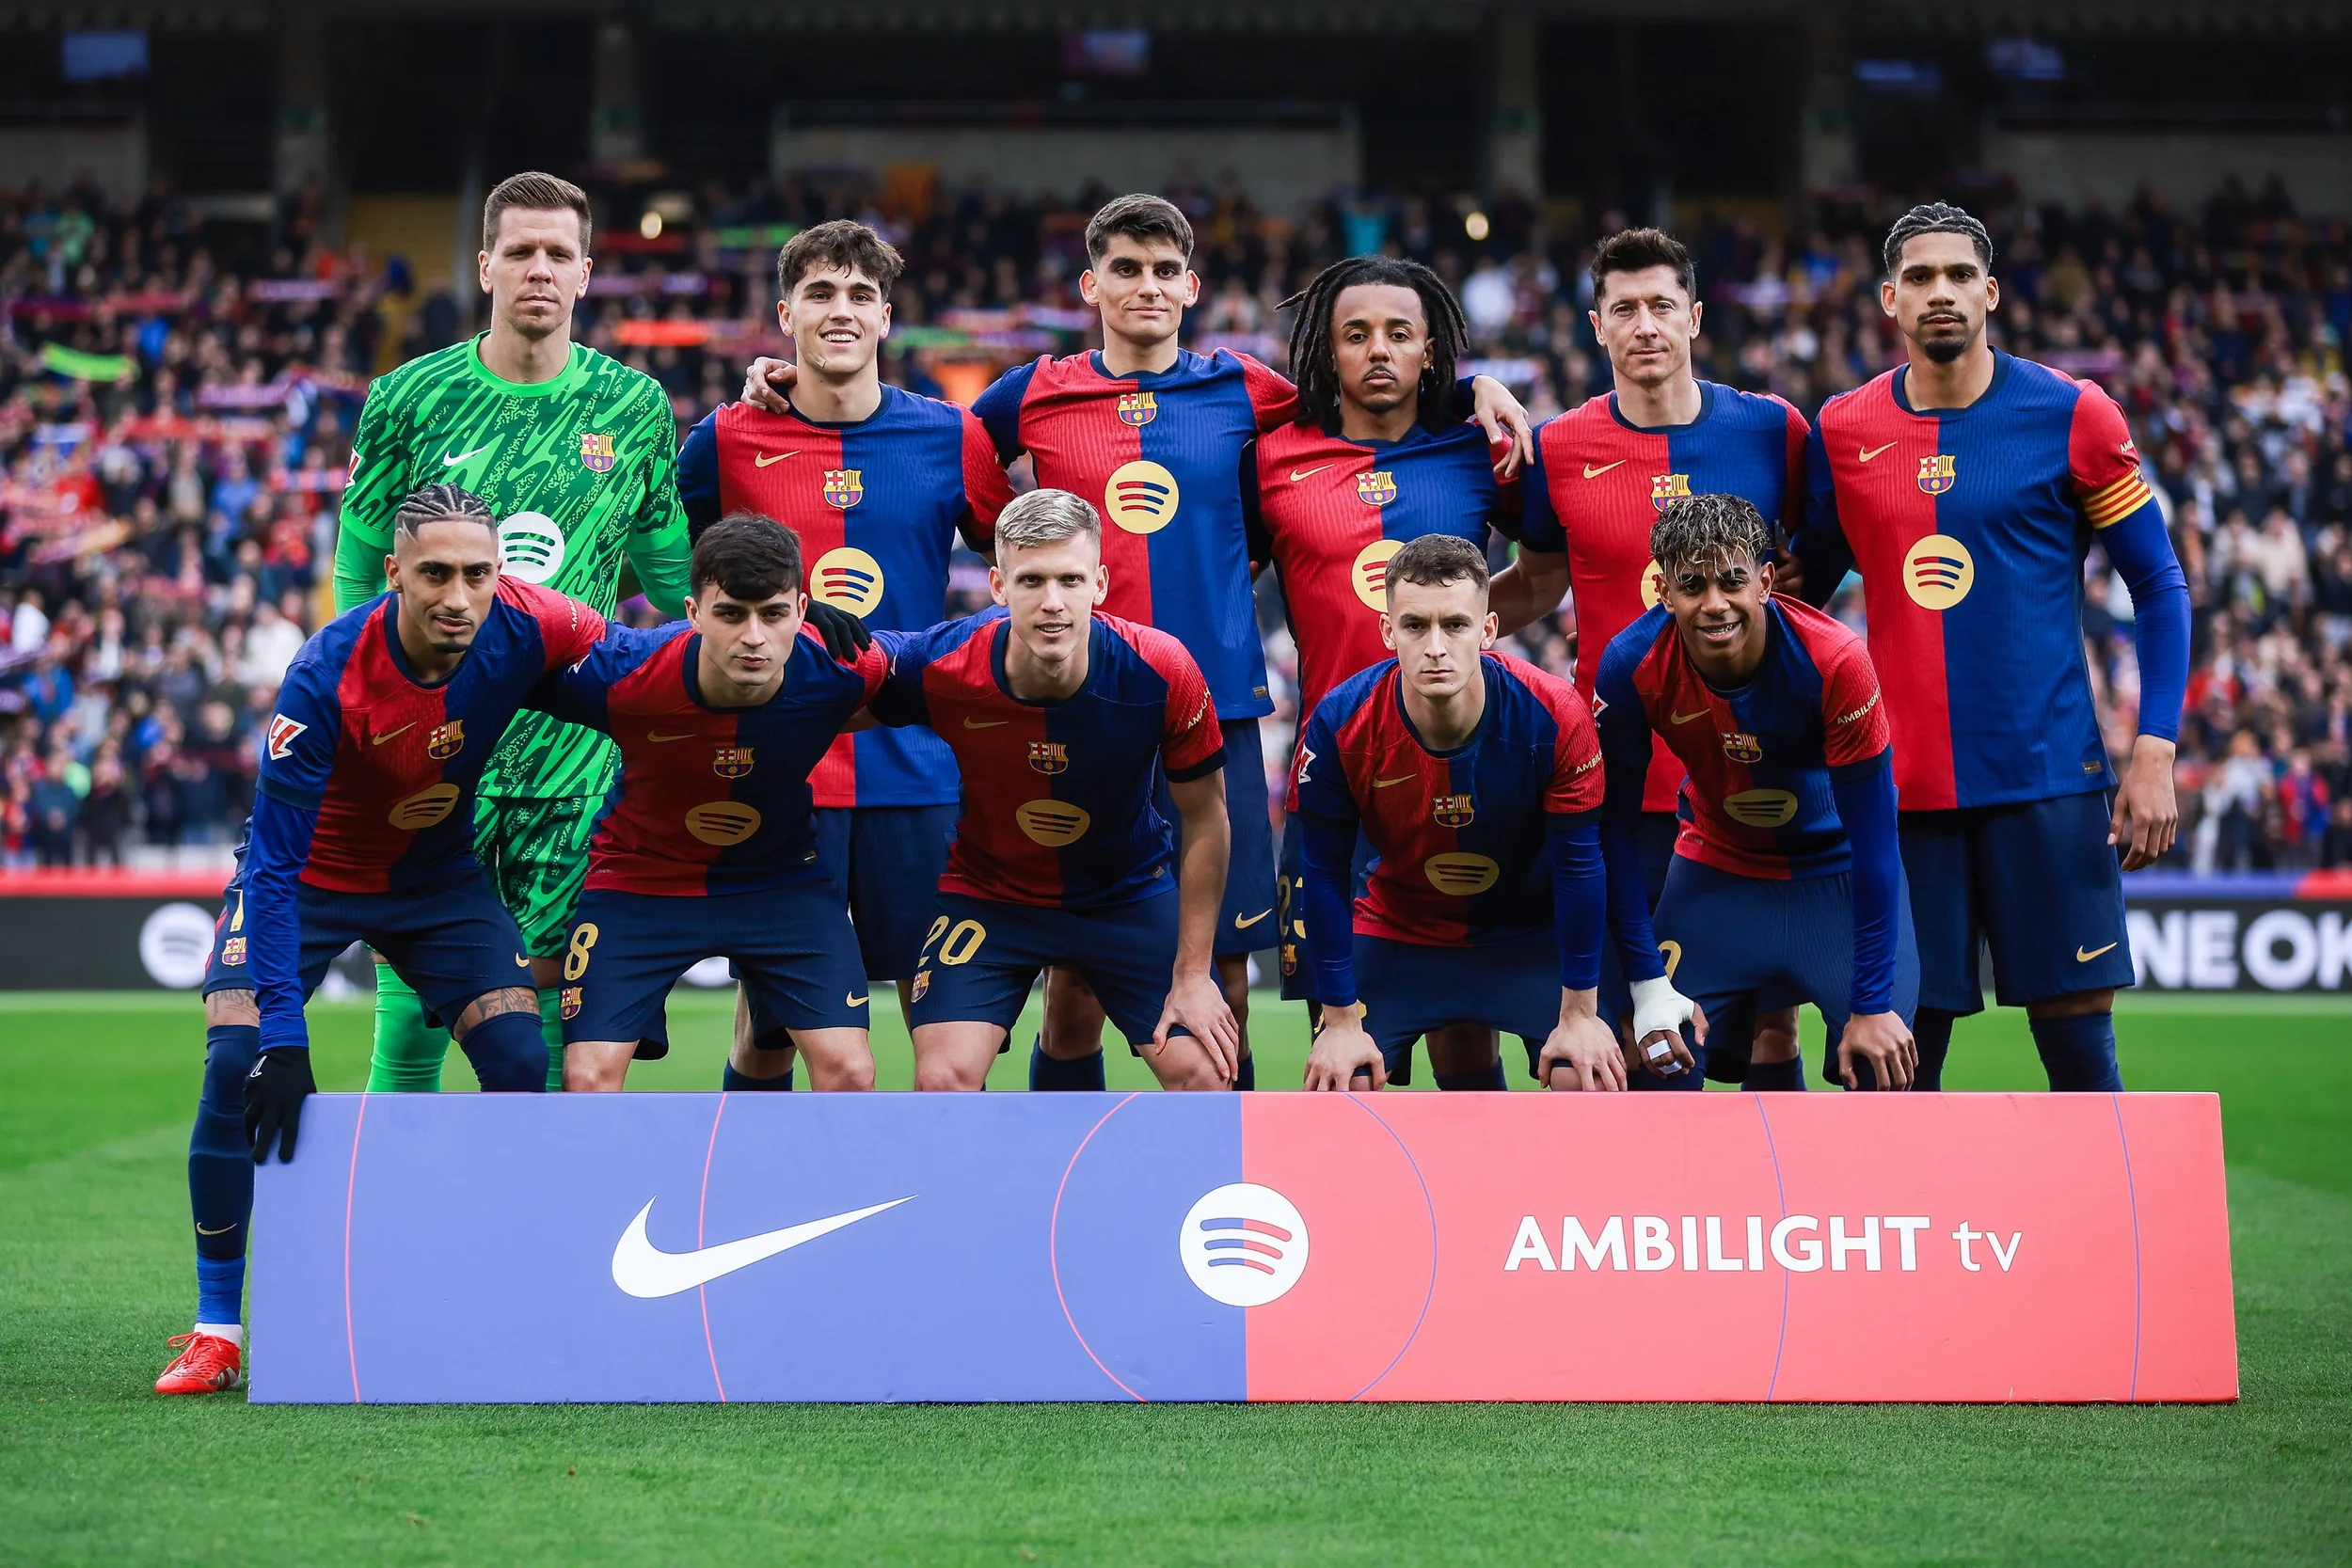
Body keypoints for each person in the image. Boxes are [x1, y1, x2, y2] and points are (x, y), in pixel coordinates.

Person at [746, 192, 1535, 1090]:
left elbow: (1358, 390)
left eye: (1165, 270)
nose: (1146, 286)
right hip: (1081, 713)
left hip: (1218, 710)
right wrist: (788, 387)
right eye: (1125, 268)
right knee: (1072, 982)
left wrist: (1470, 387)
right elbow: (929, 449)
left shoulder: (1245, 388)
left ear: (1192, 286)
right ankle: (1068, 1163)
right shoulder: (1032, 393)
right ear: (1092, 285)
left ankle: (1225, 1163)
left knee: (1224, 982)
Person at [156, 484, 605, 1397]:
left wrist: (780, 642)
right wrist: (284, 1040)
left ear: (500, 574)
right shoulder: (326, 672)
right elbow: (271, 869)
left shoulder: (532, 620)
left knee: (521, 1056)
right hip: (309, 880)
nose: (457, 595)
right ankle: (217, 1329)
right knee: (235, 1056)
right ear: (393, 571)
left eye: (476, 574)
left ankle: (503, 1294)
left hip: (436, 883)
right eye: (435, 573)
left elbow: (642, 658)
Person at [1791, 202, 2190, 1091]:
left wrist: (2156, 747)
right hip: (1898, 796)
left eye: (1960, 275)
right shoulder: (1844, 431)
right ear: (1890, 299)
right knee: (1892, 1069)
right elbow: (1792, 597)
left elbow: (2159, 584)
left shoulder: (2074, 413)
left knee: (2081, 1059)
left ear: (1992, 293)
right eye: (1921, 277)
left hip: (2048, 785)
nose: (1941, 291)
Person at [331, 171, 694, 1095]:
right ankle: (388, 1189)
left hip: (573, 766)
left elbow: (674, 583)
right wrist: (362, 713)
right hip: (431, 754)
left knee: (554, 1020)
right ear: (485, 264)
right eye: (521, 250)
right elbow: (357, 573)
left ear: (585, 274)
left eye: (558, 253)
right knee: (409, 1016)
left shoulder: (634, 407)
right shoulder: (409, 396)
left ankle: (537, 1193)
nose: (540, 268)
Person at [677, 220, 1009, 1077]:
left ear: (886, 317)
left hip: (921, 774)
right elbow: (673, 570)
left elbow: (1021, 559)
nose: (841, 310)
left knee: (947, 1057)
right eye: (819, 293)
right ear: (785, 315)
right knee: (768, 1037)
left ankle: (941, 1175)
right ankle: (745, 1169)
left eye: (861, 295)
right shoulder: (724, 440)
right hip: (782, 777)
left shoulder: (952, 437)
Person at [1243, 254, 1569, 1034]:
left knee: (1466, 1029)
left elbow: (1544, 577)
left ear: (1430, 347)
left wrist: (1451, 636)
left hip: (1466, 772)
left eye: (1399, 332)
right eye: (1356, 334)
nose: (1379, 349)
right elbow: (1222, 582)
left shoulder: (1480, 450)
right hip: (1335, 778)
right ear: (1328, 351)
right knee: (1340, 1034)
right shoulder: (1270, 458)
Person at [1521, 226, 1811, 1074]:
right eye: (1624, 309)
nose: (1644, 324)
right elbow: (1536, 581)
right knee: (1639, 1040)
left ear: (1694, 317)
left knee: (1771, 1029)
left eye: (1660, 305)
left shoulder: (1774, 430)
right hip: (1620, 790)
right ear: (1596, 325)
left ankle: (1772, 1170)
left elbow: (1809, 569)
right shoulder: (1556, 448)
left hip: (1754, 779)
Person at [867, 488, 1240, 1092]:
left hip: (1126, 895)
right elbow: (843, 681)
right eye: (1031, 580)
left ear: (1100, 584)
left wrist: (1194, 973)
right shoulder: (947, 660)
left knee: (1204, 1077)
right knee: (942, 1081)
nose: (1052, 603)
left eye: (1070, 580)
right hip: (990, 897)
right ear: (998, 585)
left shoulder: (1161, 668)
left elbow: (1207, 818)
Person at [532, 514, 888, 1094]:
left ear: (802, 609)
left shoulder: (844, 665)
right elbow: (497, 666)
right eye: (730, 614)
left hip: (781, 887)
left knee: (851, 1072)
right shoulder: (625, 671)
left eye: (773, 613)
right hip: (641, 884)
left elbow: (956, 672)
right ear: (693, 613)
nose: (753, 636)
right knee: (588, 1078)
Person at [1596, 493, 1918, 1092]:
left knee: (1884, 1066)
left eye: (1732, 581)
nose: (1714, 603)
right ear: (1664, 592)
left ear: (1766, 582)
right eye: (1692, 585)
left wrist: (1873, 1005)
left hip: (1836, 873)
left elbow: (1876, 840)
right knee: (1657, 1059)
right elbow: (1611, 832)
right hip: (1719, 868)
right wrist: (1646, 982)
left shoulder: (1836, 660)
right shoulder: (1630, 663)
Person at [1292, 535, 1631, 1092]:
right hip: (1402, 929)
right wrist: (1340, 1021)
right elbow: (1324, 874)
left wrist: (1579, 1013)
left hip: (1529, 933)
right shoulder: (1340, 722)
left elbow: (1578, 866)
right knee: (1343, 1078)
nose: (1435, 647)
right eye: (1415, 625)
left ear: (1488, 630)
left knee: (1584, 1076)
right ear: (1387, 631)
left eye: (1455, 625)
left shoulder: (1554, 714)